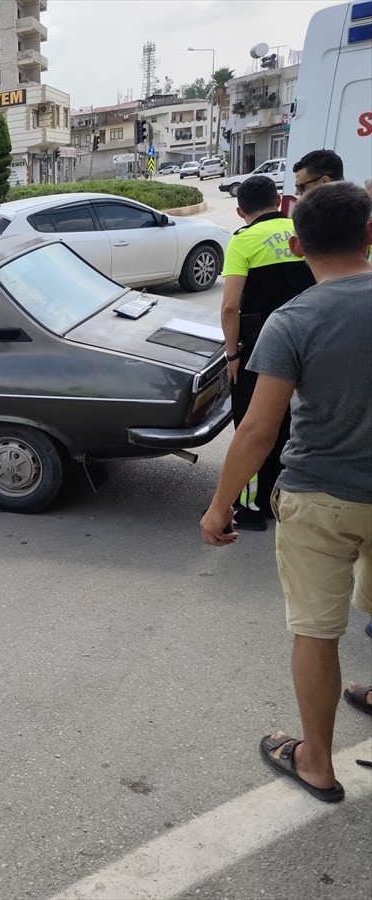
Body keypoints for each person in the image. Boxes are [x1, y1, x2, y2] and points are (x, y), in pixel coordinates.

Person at [200, 181, 372, 803]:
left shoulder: (293, 320)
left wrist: (220, 505)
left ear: (298, 247)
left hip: (320, 499)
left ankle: (317, 763)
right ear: (370, 235)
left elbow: (258, 430)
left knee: (317, 632)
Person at [219, 175, 316, 530]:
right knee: (293, 423)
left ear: (240, 211)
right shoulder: (302, 232)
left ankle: (251, 508)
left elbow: (230, 306)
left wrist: (232, 356)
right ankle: (283, 498)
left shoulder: (243, 240)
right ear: (278, 200)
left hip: (261, 349)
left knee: (253, 424)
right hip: (310, 342)